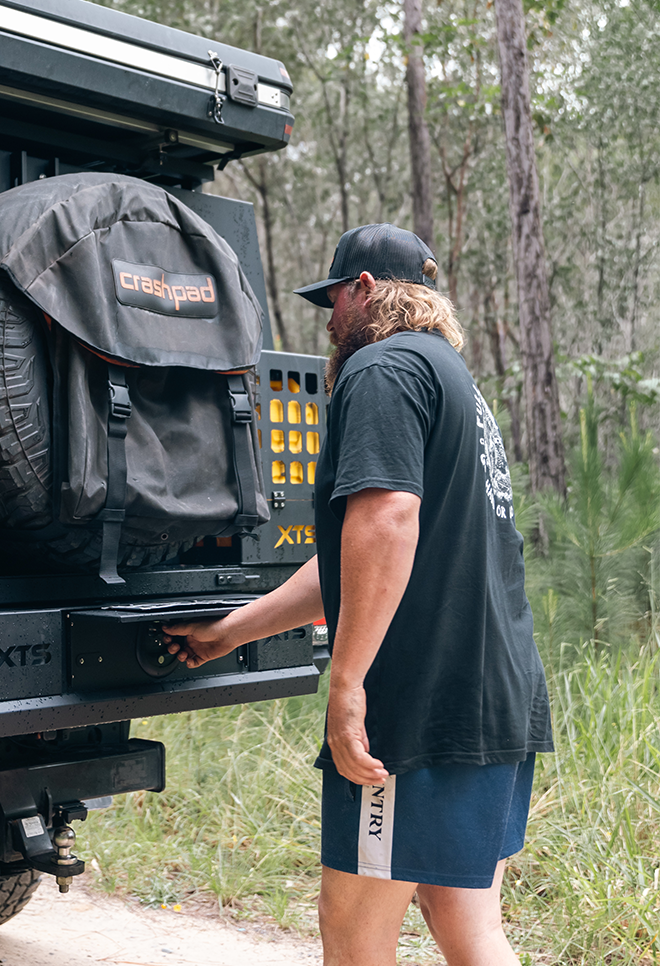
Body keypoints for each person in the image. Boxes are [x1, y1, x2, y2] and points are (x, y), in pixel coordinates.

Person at [163, 224, 553, 966]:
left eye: (333, 299)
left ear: (366, 288)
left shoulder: (382, 368)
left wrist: (346, 687)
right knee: (467, 926)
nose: (330, 320)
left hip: (417, 711)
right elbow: (351, 560)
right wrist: (226, 634)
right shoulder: (455, 384)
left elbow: (385, 523)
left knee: (352, 936)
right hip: (495, 702)